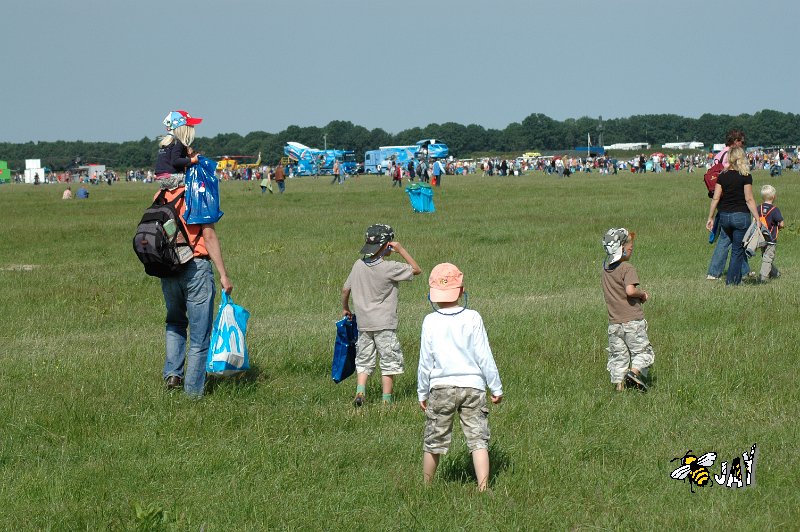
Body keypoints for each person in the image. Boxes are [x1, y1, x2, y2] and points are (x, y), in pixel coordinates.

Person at [155, 109, 233, 397]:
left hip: (167, 266)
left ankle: (173, 375)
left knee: (175, 322)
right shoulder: (195, 191)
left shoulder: (162, 192)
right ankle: (193, 393)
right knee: (200, 336)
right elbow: (208, 235)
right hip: (195, 267)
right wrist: (224, 274)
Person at [417, 263, 503, 492]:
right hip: (473, 387)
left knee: (434, 439)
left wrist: (422, 392)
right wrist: (495, 387)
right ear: (462, 291)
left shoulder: (430, 321)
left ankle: (426, 486)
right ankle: (484, 486)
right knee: (478, 439)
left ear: (432, 295)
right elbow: (484, 355)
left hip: (441, 388)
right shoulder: (473, 317)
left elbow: (425, 361)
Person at [341, 224, 421, 406]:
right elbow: (416, 269)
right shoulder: (390, 267)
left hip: (364, 323)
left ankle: (360, 392)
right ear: (387, 245)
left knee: (364, 359)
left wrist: (346, 308)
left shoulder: (358, 265)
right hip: (385, 324)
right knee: (389, 361)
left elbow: (345, 289)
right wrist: (401, 250)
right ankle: (386, 401)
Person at [601, 228, 655, 392]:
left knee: (619, 357)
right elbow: (630, 291)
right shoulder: (627, 268)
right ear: (622, 250)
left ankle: (620, 387)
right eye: (630, 248)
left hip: (614, 324)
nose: (631, 251)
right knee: (643, 352)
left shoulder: (605, 270)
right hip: (632, 321)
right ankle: (633, 373)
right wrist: (642, 294)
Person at [706, 147, 761, 285]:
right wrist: (757, 217)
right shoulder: (746, 176)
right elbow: (749, 199)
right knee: (737, 250)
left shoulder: (722, 176)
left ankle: (724, 276)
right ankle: (732, 281)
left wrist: (710, 217)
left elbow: (716, 198)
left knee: (727, 243)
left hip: (724, 216)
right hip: (741, 216)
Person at [707, 129, 749, 280]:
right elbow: (731, 175)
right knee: (728, 238)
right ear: (735, 141)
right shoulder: (729, 155)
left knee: (731, 237)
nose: (743, 145)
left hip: (720, 198)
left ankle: (744, 271)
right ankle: (714, 272)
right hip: (731, 201)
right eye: (742, 142)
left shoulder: (718, 154)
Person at [756, 185, 784, 282]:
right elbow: (782, 223)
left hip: (760, 237)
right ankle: (763, 278)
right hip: (771, 238)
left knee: (765, 256)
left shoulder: (758, 208)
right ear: (773, 197)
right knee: (768, 258)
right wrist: (779, 227)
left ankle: (775, 273)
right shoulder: (775, 209)